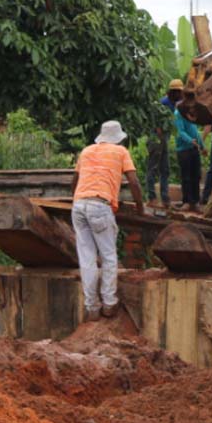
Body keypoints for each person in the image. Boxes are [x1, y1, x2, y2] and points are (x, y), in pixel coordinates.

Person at [71, 120, 145, 321]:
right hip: (100, 205)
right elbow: (134, 182)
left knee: (87, 258)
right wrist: (141, 209)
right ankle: (109, 303)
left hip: (79, 205)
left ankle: (91, 307)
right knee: (109, 257)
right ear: (119, 139)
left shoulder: (86, 151)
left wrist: (78, 199)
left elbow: (74, 181)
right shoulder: (121, 152)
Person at [146, 79, 184, 208]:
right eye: (179, 92)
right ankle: (152, 198)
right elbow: (154, 119)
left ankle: (165, 199)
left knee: (165, 169)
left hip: (164, 139)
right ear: (174, 92)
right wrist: (159, 131)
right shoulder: (163, 103)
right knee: (153, 168)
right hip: (157, 139)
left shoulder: (175, 103)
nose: (181, 95)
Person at [175, 104, 206, 211]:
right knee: (186, 177)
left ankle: (195, 201)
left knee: (196, 176)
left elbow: (196, 132)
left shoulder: (191, 113)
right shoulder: (178, 114)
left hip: (194, 148)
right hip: (183, 150)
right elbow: (180, 132)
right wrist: (190, 140)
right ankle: (187, 201)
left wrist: (202, 146)